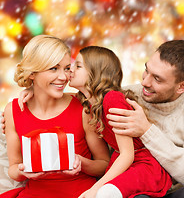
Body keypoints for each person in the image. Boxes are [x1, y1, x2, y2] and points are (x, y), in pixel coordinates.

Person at [1, 35, 110, 198]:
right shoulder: (13, 111)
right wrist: (24, 171)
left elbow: (104, 164)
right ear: (32, 73)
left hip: (80, 193)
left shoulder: (82, 107)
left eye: (67, 68)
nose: (63, 77)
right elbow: (13, 169)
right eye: (54, 68)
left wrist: (81, 162)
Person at [105, 40, 184, 198]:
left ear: (181, 87)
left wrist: (147, 131)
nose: (144, 82)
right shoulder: (126, 96)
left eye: (157, 79)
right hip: (133, 187)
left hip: (174, 192)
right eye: (146, 70)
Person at [69, 46, 172, 198]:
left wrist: (94, 189)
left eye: (78, 66)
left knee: (104, 192)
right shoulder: (89, 103)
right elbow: (55, 97)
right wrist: (32, 91)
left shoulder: (112, 99)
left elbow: (127, 154)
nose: (71, 70)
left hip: (142, 165)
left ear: (95, 72)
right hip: (125, 164)